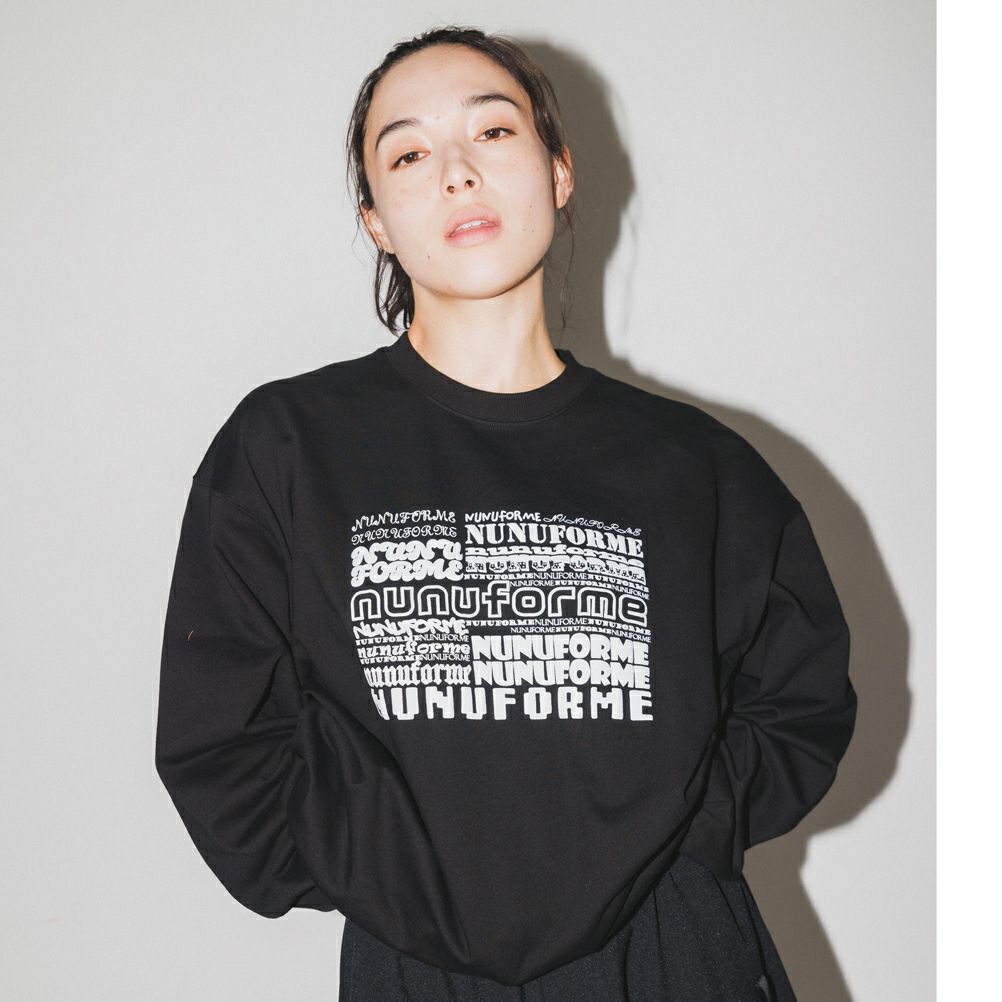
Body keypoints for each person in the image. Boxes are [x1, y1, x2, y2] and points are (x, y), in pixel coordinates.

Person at [154, 25, 857, 1002]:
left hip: (674, 956)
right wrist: (387, 878)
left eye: (492, 132)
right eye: (408, 153)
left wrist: (678, 841)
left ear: (560, 172)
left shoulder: (699, 467)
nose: (456, 172)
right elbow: (219, 740)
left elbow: (802, 702)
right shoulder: (287, 448)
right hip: (416, 971)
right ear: (375, 220)